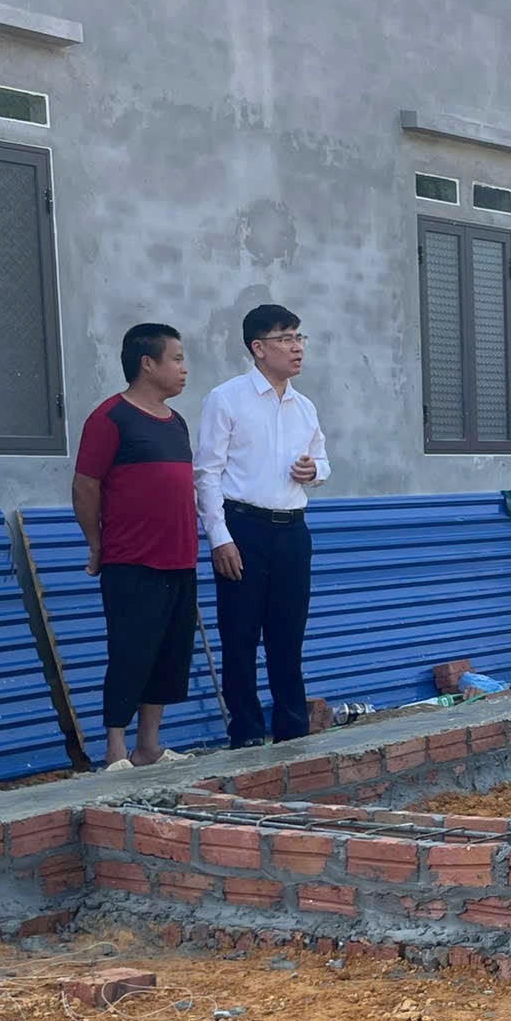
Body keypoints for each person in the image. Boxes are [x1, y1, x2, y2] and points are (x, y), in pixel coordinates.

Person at [193, 304, 328, 747]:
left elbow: (322, 460)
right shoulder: (226, 399)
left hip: (292, 530)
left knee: (288, 636)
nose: (297, 347)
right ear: (259, 348)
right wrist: (219, 537)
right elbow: (206, 473)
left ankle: (293, 731)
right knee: (240, 636)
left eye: (299, 337)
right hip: (243, 528)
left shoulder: (304, 407)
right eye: (285, 338)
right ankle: (247, 734)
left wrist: (314, 471)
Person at [74, 323, 199, 769]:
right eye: (177, 359)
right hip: (132, 560)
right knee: (130, 652)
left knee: (168, 655)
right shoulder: (110, 418)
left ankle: (148, 746)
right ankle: (114, 750)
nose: (184, 368)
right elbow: (85, 487)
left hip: (179, 559)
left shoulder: (177, 423)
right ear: (148, 363)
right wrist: (96, 543)